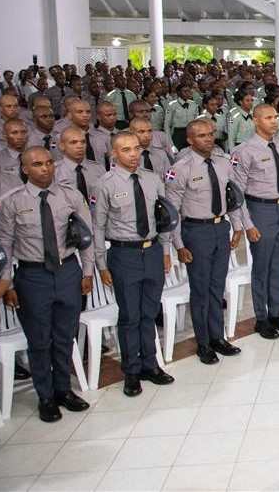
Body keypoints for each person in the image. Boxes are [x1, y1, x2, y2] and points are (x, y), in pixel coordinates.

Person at [0, 147, 94, 422]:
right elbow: (5, 246)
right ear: (25, 169)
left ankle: (63, 390)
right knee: (39, 341)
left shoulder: (70, 196)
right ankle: (45, 396)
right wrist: (6, 282)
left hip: (68, 271)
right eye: (37, 165)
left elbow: (85, 237)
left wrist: (88, 271)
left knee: (64, 337)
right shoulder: (12, 201)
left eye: (49, 163)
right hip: (33, 276)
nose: (45, 169)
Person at [95, 132, 175, 396]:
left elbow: (163, 217)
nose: (133, 154)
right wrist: (101, 265)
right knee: (129, 315)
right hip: (124, 254)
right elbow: (98, 227)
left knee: (149, 313)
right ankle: (131, 370)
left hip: (151, 251)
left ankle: (150, 364)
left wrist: (165, 250)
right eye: (126, 150)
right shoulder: (105, 184)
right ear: (114, 154)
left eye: (137, 149)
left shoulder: (152, 180)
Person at [165, 119, 244, 365]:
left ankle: (218, 337)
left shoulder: (223, 163)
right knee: (200, 290)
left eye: (211, 134)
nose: (208, 139)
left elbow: (232, 196)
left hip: (220, 227)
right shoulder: (181, 168)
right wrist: (178, 245)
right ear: (189, 140)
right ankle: (204, 343)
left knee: (216, 287)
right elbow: (172, 212)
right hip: (195, 232)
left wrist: (237, 226)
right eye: (201, 135)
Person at [230, 104, 279, 340]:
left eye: (276, 117)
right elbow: (237, 192)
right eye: (268, 117)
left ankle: (276, 313)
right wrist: (246, 224)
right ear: (256, 121)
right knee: (262, 266)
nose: (274, 121)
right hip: (260, 210)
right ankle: (261, 318)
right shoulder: (244, 151)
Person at [55, 127, 104, 214]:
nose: (79, 146)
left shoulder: (98, 169)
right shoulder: (54, 172)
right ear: (62, 146)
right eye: (73, 142)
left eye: (83, 142)